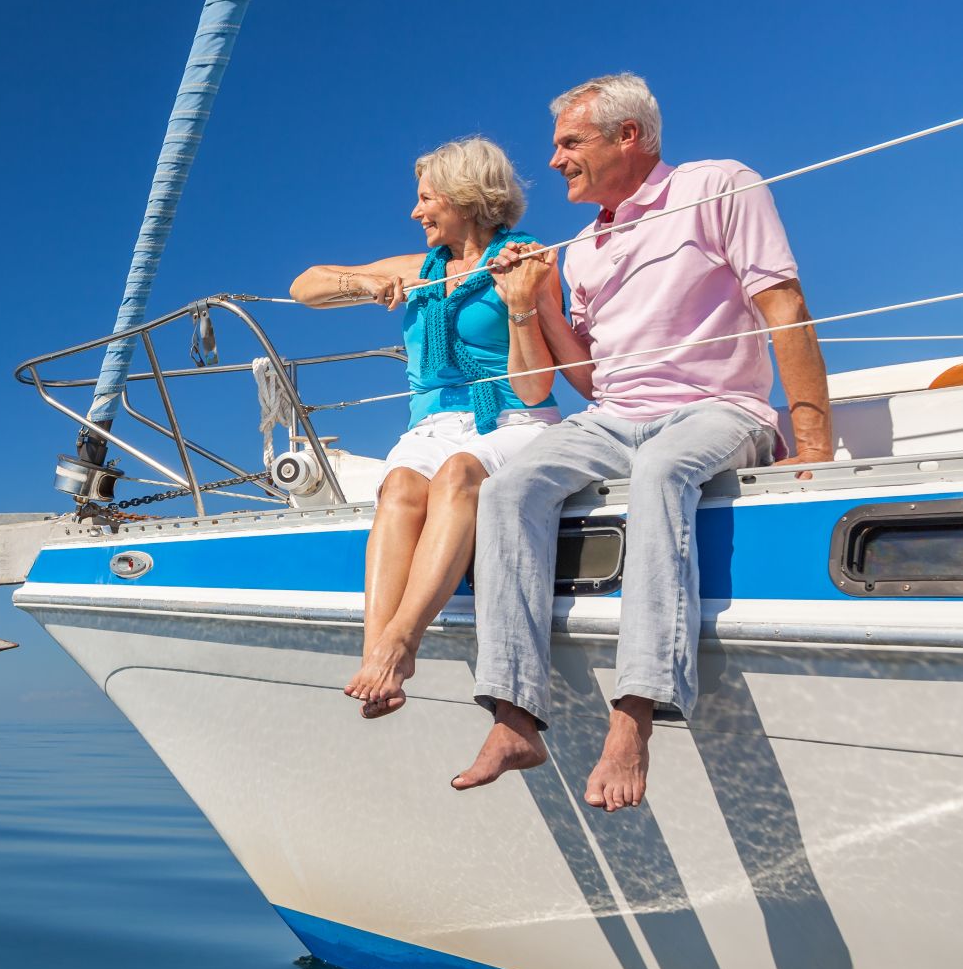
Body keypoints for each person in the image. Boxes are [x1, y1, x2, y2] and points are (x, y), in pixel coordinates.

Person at [452, 73, 833, 810]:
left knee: (661, 471)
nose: (556, 159)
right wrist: (532, 302)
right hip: (617, 415)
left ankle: (633, 718)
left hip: (720, 407)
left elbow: (782, 302)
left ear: (628, 136)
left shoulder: (718, 183)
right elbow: (591, 383)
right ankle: (515, 714)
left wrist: (812, 443)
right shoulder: (585, 249)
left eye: (570, 142)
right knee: (508, 488)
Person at [290, 137, 564, 718]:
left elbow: (540, 383)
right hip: (433, 421)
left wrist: (518, 296)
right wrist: (362, 285)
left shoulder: (527, 261)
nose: (416, 213)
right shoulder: (417, 269)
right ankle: (375, 660)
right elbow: (305, 285)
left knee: (459, 475)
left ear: (465, 198)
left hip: (513, 415)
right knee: (399, 489)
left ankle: (401, 642)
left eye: (426, 200)